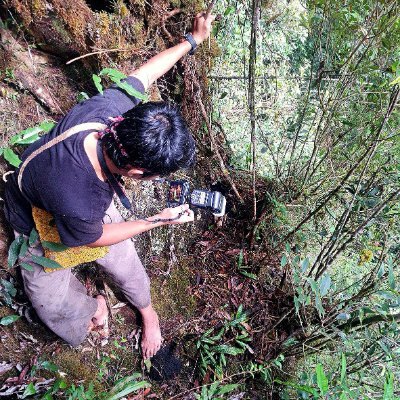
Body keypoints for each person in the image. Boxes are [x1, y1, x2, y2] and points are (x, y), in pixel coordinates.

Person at [3, 12, 215, 359]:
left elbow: (146, 74)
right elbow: (92, 237)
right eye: (155, 174)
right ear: (135, 170)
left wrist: (191, 41)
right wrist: (158, 220)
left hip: (74, 187)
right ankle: (95, 307)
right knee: (53, 305)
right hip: (31, 212)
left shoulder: (110, 115)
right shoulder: (79, 197)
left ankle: (147, 310)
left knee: (125, 257)